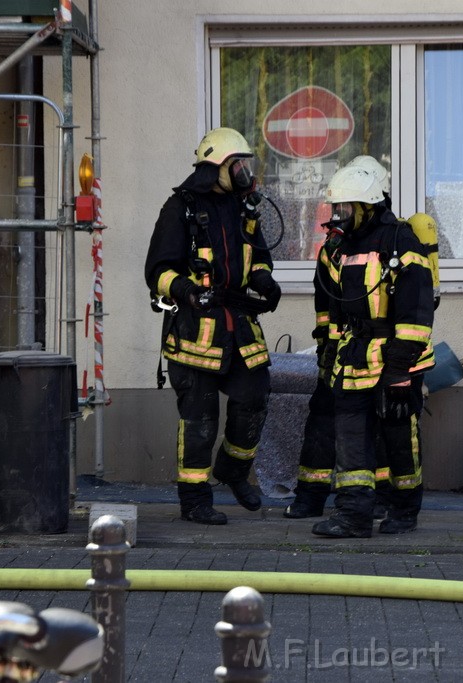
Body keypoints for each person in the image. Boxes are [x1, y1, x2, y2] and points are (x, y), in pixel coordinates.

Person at [144, 127, 282, 525]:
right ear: (216, 166)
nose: (243, 172)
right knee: (200, 420)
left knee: (255, 396)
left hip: (238, 324)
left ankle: (234, 471)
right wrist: (185, 289)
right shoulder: (180, 208)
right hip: (195, 331)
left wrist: (263, 280)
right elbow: (157, 270)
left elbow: (257, 257)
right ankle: (195, 500)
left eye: (245, 165)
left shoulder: (245, 207)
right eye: (237, 164)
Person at [310, 164, 436, 537]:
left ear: (367, 206)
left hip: (396, 360)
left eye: (346, 208)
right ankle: (353, 515)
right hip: (351, 359)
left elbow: (416, 312)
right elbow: (333, 307)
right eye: (337, 208)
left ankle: (404, 510)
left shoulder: (401, 241)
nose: (339, 215)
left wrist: (399, 370)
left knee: (398, 438)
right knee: (350, 438)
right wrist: (329, 350)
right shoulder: (340, 247)